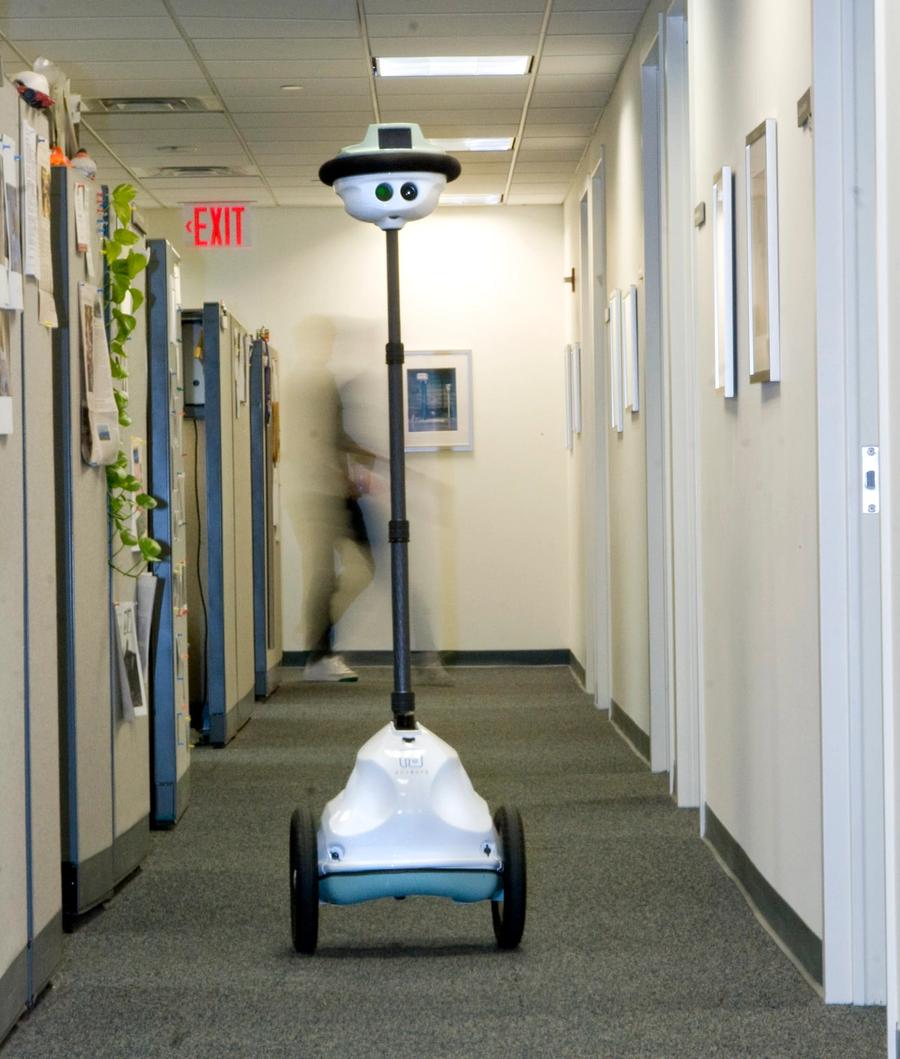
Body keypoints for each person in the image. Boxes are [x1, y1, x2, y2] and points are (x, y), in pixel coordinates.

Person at [298, 344, 376, 683]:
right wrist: (344, 475)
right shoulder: (306, 383)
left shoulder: (325, 381)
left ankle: (319, 631)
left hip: (336, 491)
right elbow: (312, 438)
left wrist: (359, 454)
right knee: (325, 572)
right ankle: (319, 651)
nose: (328, 346)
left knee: (362, 567)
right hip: (319, 493)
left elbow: (334, 433)